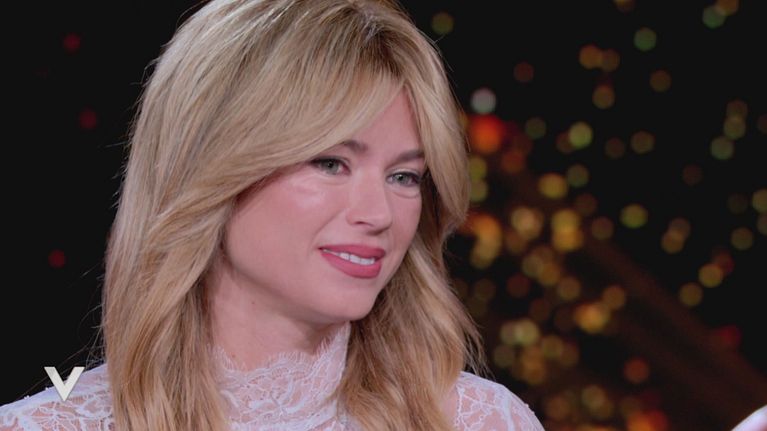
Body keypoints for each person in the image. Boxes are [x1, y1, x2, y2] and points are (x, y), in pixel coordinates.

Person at [0, 0, 545, 429]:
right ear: (211, 167)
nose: (379, 214)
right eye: (330, 163)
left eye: (404, 176)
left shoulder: (481, 422)